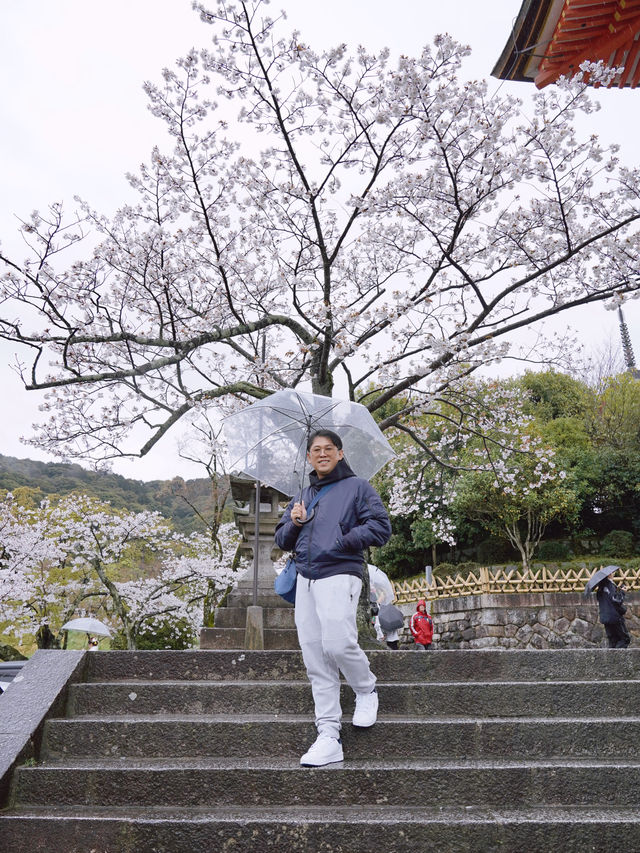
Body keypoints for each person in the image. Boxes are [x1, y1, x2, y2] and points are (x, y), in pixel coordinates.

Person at [275, 429, 392, 767]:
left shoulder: (358, 487)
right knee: (314, 658)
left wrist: (342, 541)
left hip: (340, 570)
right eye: (315, 450)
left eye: (329, 449)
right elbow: (282, 538)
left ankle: (366, 689)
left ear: (340, 454)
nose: (322, 454)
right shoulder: (303, 494)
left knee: (338, 643)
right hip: (305, 578)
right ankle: (328, 735)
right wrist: (295, 522)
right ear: (309, 457)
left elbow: (381, 527)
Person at [596, 568, 631, 648]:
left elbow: (606, 600)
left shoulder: (601, 587)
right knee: (624, 639)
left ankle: (612, 660)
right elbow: (617, 600)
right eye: (613, 573)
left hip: (605, 617)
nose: (614, 574)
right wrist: (622, 592)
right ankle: (619, 660)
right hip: (614, 617)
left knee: (613, 640)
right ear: (609, 575)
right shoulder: (610, 585)